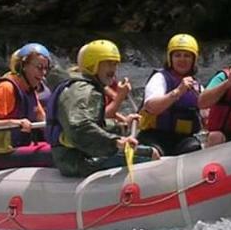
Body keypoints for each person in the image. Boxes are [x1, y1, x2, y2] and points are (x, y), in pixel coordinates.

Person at [47, 39, 157, 178]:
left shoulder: (82, 86)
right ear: (93, 64)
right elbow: (79, 127)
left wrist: (122, 126)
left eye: (115, 64)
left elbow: (94, 123)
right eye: (108, 64)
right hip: (77, 160)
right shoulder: (84, 90)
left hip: (76, 154)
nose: (113, 69)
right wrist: (116, 141)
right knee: (150, 154)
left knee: (144, 150)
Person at [0, 42, 54, 171]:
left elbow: (44, 120)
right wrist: (16, 122)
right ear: (23, 66)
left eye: (46, 68)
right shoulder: (5, 88)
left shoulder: (30, 89)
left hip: (14, 148)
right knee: (51, 154)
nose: (43, 73)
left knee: (60, 150)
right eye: (39, 67)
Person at [137, 33, 203, 156]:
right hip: (154, 136)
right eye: (177, 55)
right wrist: (178, 91)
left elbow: (206, 117)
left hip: (182, 139)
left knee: (194, 147)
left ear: (194, 60)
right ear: (170, 58)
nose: (182, 60)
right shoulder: (159, 78)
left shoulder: (197, 87)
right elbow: (152, 107)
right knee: (153, 152)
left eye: (187, 56)